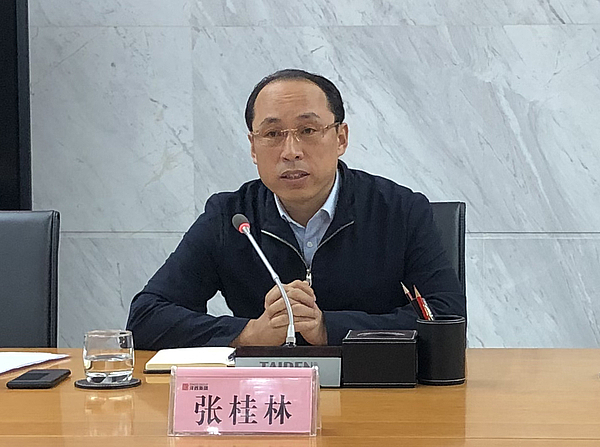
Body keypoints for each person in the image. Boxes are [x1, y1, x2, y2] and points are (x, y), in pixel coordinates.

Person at [126, 69, 465, 350]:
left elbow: (447, 317)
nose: (290, 151)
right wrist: (248, 334)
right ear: (253, 147)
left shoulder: (400, 210)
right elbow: (146, 318)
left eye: (308, 130)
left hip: (372, 390)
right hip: (266, 395)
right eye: (273, 133)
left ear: (341, 138)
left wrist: (328, 329)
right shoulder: (231, 218)